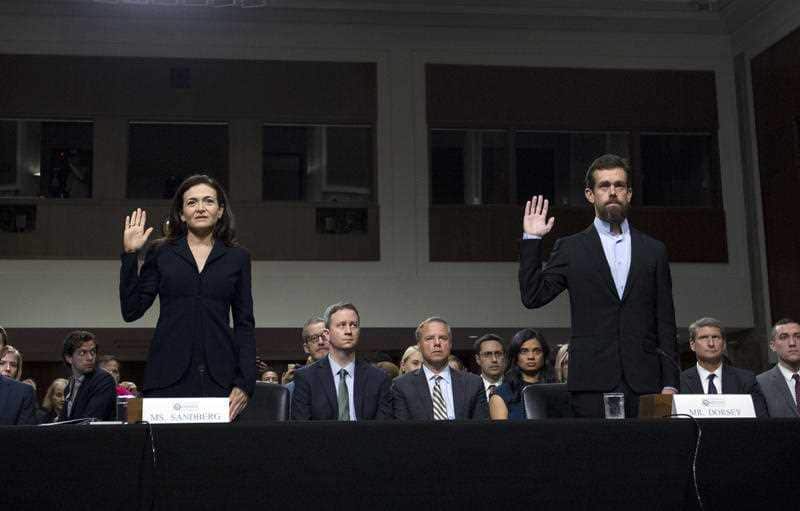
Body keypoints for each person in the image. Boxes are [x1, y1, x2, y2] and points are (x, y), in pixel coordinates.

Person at [519, 154, 678, 418]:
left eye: (619, 185)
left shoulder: (654, 250)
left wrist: (670, 382)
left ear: (629, 193)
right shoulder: (571, 248)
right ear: (590, 195)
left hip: (647, 384)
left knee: (649, 457)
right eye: (604, 186)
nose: (612, 192)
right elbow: (532, 295)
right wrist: (532, 239)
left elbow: (665, 320)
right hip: (592, 383)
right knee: (598, 457)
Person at [119, 174, 255, 421]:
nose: (201, 208)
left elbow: (245, 324)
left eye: (208, 201)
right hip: (166, 375)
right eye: (192, 202)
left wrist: (245, 382)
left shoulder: (238, 257)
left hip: (221, 378)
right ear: (181, 213)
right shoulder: (161, 252)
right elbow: (131, 310)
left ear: (220, 210)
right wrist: (130, 255)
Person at [291, 303, 392, 420]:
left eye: (354, 325)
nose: (349, 331)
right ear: (327, 334)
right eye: (341, 325)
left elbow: (384, 429)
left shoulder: (378, 378)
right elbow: (302, 429)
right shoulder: (306, 378)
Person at [391, 317, 488, 420]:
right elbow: (402, 431)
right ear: (419, 345)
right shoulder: (402, 386)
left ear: (450, 344)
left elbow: (480, 430)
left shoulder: (473, 383)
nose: (437, 343)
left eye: (443, 338)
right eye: (429, 338)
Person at [680, 317, 768, 417]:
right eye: (704, 338)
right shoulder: (678, 381)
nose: (711, 344)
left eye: (715, 337)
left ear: (724, 344)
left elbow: (761, 418)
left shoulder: (746, 379)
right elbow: (665, 420)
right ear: (692, 345)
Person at [489, 329, 556, 420]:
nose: (531, 357)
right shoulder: (502, 393)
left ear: (544, 355)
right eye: (524, 351)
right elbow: (502, 433)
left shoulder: (556, 389)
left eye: (537, 351)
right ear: (515, 356)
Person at [60, 331, 116, 422]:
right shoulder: (70, 385)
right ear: (69, 358)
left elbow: (90, 420)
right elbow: (65, 421)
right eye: (82, 353)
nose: (90, 358)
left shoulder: (103, 379)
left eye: (93, 352)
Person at [757, 318, 800, 418]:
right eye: (784, 337)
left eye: (798, 337)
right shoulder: (760, 384)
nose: (792, 343)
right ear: (773, 346)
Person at [283, 316, 331, 394]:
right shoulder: (291, 390)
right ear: (306, 348)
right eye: (314, 338)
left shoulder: (347, 380)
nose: (321, 342)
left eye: (324, 336)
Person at [473, 334, 506, 400]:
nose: (494, 359)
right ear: (478, 359)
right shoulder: (469, 389)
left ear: (504, 357)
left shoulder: (515, 387)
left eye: (498, 354)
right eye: (487, 354)